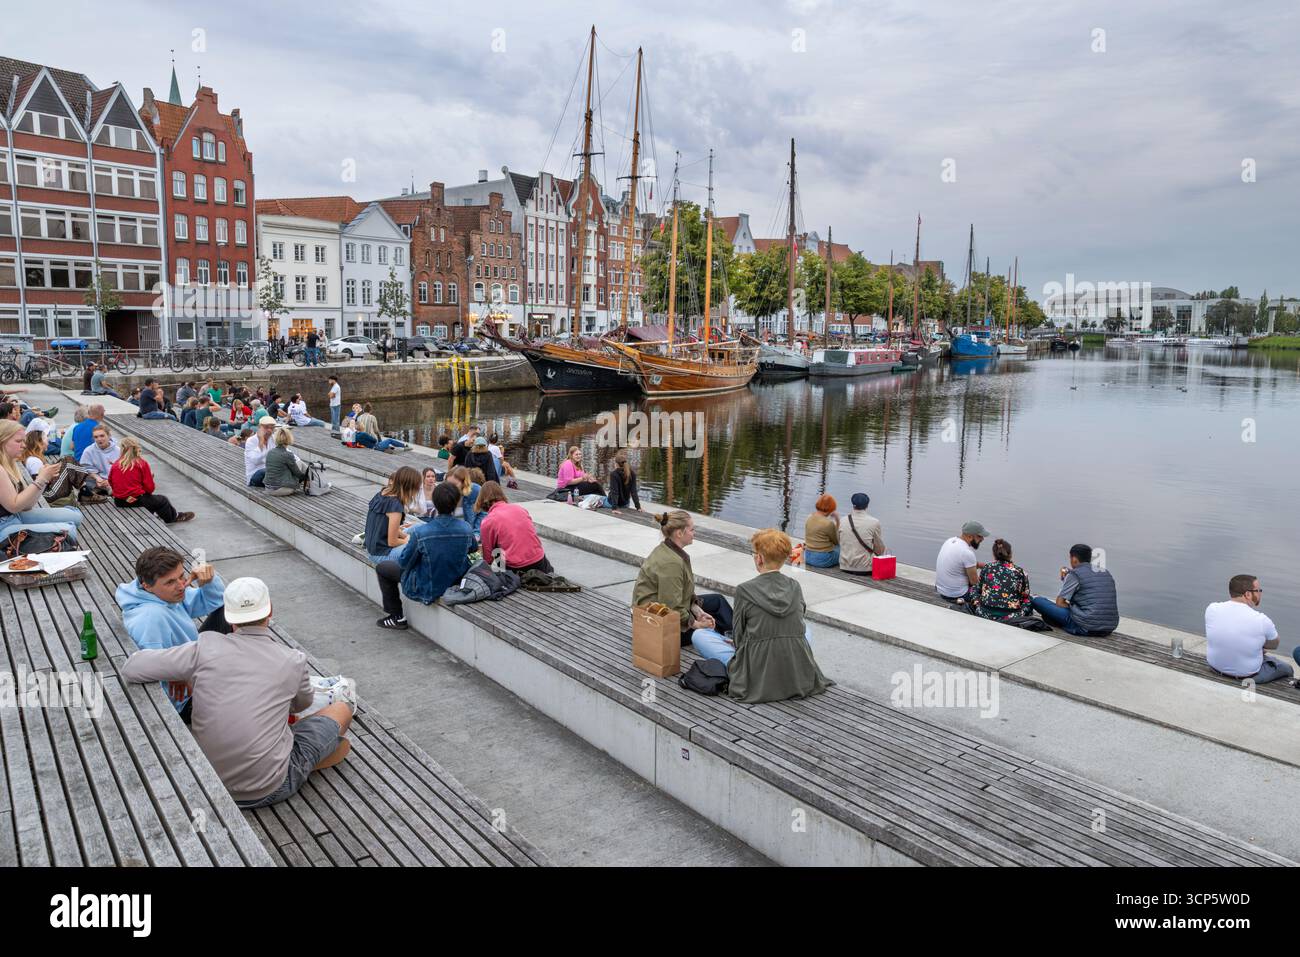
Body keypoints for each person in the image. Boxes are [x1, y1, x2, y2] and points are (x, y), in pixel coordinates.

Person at [121, 577, 354, 807]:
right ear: (270, 610)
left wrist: (181, 673)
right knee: (341, 709)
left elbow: (133, 667)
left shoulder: (203, 648)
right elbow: (302, 705)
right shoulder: (293, 660)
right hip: (268, 788)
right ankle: (303, 758)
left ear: (228, 616)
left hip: (210, 780)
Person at [691, 529, 832, 703]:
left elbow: (740, 636)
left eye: (754, 554)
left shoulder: (745, 590)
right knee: (806, 630)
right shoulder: (794, 586)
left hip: (756, 669)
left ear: (760, 558)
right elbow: (797, 620)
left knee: (700, 635)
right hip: (792, 662)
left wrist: (737, 643)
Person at [115, 546, 227, 718]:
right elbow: (148, 664)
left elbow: (214, 601)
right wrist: (175, 673)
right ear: (147, 585)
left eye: (181, 576)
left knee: (227, 613)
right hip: (182, 701)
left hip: (188, 665)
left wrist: (208, 581)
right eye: (170, 582)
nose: (181, 586)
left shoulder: (162, 594)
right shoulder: (150, 618)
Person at [374, 481, 474, 631]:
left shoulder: (421, 532)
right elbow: (472, 548)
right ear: (455, 503)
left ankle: (396, 617)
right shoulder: (466, 528)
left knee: (383, 568)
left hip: (426, 587)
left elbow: (404, 562)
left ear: (434, 503)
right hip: (455, 582)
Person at [632, 510, 733, 647]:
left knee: (717, 601)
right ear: (679, 533)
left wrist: (698, 611)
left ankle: (737, 637)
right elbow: (672, 608)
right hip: (655, 626)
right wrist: (696, 624)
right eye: (692, 529)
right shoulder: (671, 563)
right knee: (712, 630)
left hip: (663, 612)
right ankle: (739, 642)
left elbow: (680, 594)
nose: (694, 533)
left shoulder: (668, 549)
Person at [0, 421, 80, 544]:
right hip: (3, 528)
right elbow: (14, 506)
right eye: (18, 441)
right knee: (70, 530)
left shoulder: (10, 464)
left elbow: (27, 506)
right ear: (2, 442)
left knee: (75, 515)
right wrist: (40, 480)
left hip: (12, 518)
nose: (24, 445)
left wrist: (44, 481)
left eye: (23, 441)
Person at [1205, 575, 1291, 684]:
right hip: (1247, 677)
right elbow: (1274, 645)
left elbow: (1226, 634)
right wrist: (1257, 645)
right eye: (1258, 590)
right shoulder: (1261, 620)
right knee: (1287, 668)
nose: (1260, 593)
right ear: (1248, 594)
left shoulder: (1212, 609)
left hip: (1214, 668)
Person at [1029, 544, 1120, 637]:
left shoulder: (1074, 574)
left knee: (1035, 599)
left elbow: (1060, 603)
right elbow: (1087, 583)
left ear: (1074, 559)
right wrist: (1067, 574)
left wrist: (1071, 606)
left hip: (1085, 627)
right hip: (1108, 628)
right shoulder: (1104, 572)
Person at [109, 437, 194, 524]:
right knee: (162, 500)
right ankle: (173, 517)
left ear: (122, 449)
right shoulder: (141, 463)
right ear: (136, 448)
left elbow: (111, 481)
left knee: (150, 500)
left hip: (119, 501)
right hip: (136, 500)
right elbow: (150, 489)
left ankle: (158, 514)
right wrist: (150, 479)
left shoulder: (115, 464)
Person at [477, 481, 552, 573]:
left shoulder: (488, 521)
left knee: (496, 549)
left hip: (517, 567)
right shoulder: (520, 509)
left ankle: (503, 574)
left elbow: (488, 558)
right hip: (539, 560)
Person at [365, 466, 421, 565]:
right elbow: (392, 542)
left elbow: (385, 528)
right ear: (410, 486)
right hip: (381, 554)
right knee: (421, 546)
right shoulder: (395, 507)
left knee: (418, 527)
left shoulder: (382, 493)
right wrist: (408, 541)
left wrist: (406, 536)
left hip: (374, 546)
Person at [974, 539, 1033, 622]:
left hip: (984, 612)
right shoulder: (1020, 571)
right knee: (1029, 598)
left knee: (974, 589)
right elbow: (1025, 595)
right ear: (1010, 554)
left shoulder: (987, 567)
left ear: (994, 554)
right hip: (1011, 616)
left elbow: (979, 589)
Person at [935, 521, 988, 604]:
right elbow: (974, 582)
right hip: (956, 595)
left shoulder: (950, 541)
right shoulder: (967, 553)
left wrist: (987, 566)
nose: (982, 539)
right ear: (970, 536)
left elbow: (961, 562)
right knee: (989, 589)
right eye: (979, 536)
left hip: (940, 590)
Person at [838, 493, 885, 575]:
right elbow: (879, 549)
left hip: (844, 566)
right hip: (865, 568)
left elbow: (839, 541)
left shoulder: (842, 520)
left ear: (853, 505)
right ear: (867, 506)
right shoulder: (874, 522)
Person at [263, 427, 309, 496]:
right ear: (289, 438)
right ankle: (316, 482)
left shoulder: (270, 452)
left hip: (268, 488)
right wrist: (306, 478)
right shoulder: (287, 454)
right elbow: (298, 474)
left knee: (300, 463)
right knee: (300, 463)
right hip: (280, 490)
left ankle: (314, 479)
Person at [77, 424, 120, 493]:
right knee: (81, 477)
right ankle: (105, 488)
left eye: (102, 436)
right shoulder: (88, 450)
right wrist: (98, 479)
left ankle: (108, 488)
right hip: (97, 479)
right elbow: (86, 468)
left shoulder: (118, 450)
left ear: (109, 436)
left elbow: (122, 470)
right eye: (96, 437)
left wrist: (110, 481)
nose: (99, 439)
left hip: (114, 479)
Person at [803, 494, 840, 568]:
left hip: (806, 556)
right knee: (841, 548)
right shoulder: (828, 523)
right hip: (822, 560)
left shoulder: (809, 517)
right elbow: (836, 541)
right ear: (831, 509)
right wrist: (837, 520)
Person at [244, 418, 275, 487]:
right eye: (266, 427)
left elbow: (286, 452)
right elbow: (255, 460)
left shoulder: (273, 438)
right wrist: (261, 441)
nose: (269, 430)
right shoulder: (251, 441)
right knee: (266, 471)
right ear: (259, 427)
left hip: (270, 472)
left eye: (272, 428)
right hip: (255, 475)